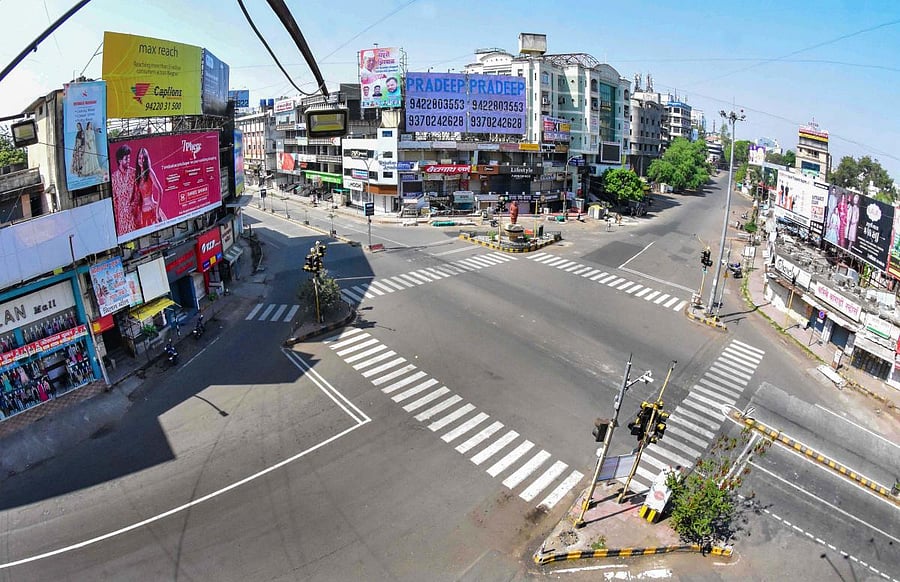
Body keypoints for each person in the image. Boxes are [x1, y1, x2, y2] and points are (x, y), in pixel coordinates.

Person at [134, 147, 166, 228]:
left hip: (152, 212)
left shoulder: (149, 172)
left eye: (143, 158)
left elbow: (160, 190)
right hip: (143, 214)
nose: (141, 160)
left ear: (146, 159)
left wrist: (157, 212)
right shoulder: (137, 175)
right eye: (139, 158)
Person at [112, 144, 138, 236]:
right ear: (120, 160)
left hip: (133, 216)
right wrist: (116, 221)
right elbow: (115, 201)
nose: (128, 161)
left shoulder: (133, 173)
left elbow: (137, 193)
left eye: (129, 158)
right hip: (121, 218)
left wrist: (132, 208)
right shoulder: (114, 178)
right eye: (126, 158)